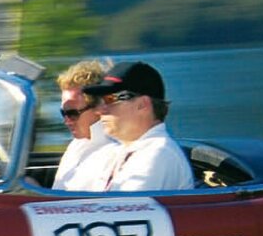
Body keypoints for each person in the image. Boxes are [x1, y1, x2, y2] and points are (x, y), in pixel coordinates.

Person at [68, 61, 193, 191]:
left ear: (142, 104)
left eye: (110, 99)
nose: (100, 110)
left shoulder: (158, 154)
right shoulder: (123, 152)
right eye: (100, 100)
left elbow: (122, 209)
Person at [51, 59, 117, 189]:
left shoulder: (115, 154)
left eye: (72, 113)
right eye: (63, 112)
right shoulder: (76, 146)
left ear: (99, 108)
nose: (66, 120)